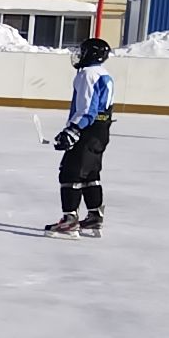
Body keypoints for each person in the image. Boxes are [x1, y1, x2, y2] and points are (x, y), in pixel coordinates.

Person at [45, 38, 115, 239]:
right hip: (102, 130)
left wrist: (72, 131)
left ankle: (69, 220)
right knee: (90, 174)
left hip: (88, 130)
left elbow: (87, 110)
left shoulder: (87, 74)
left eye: (83, 51)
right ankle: (94, 215)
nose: (79, 55)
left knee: (70, 173)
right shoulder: (104, 73)